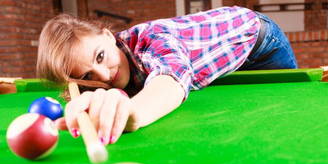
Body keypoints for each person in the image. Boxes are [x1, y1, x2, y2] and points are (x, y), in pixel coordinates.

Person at [36, 6, 297, 145]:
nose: (104, 75)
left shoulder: (153, 39)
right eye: (88, 75)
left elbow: (171, 79)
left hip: (260, 42)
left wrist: (133, 111)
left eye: (100, 57)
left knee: (285, 117)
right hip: (222, 55)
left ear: (107, 36)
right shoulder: (97, 81)